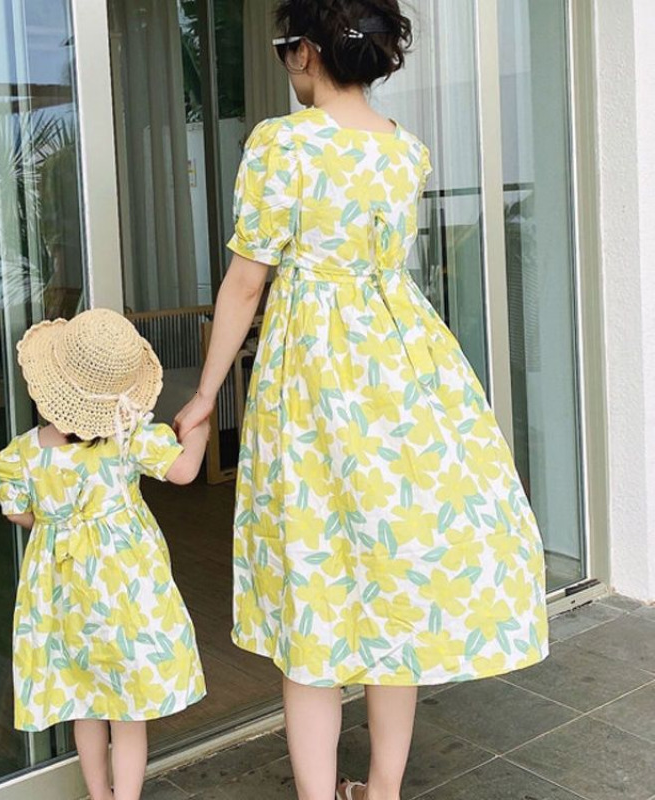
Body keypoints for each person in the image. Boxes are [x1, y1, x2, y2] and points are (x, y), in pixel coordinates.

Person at [173, 2, 549, 799]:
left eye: (283, 47)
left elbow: (248, 280)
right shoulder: (404, 150)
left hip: (313, 375)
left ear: (307, 50)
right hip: (405, 366)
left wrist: (205, 395)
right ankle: (380, 792)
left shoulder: (281, 143)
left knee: (315, 581)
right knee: (390, 581)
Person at [0, 308, 208, 800]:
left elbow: (16, 514)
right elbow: (184, 471)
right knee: (127, 710)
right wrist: (199, 427)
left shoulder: (20, 456)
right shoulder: (128, 441)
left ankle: (99, 794)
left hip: (64, 595)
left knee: (85, 701)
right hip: (124, 592)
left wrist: (56, 524)